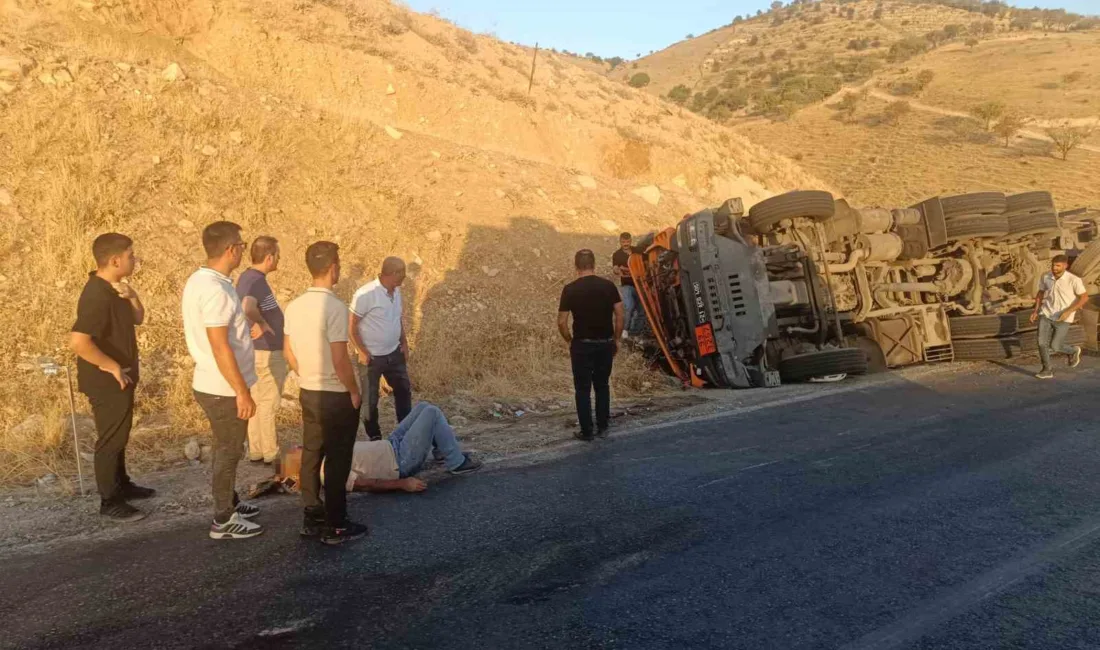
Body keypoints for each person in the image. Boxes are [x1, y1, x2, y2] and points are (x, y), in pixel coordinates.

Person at [284, 241, 369, 545]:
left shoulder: (293, 306)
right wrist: (354, 390)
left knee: (311, 453)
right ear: (333, 267)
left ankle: (312, 515)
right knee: (337, 459)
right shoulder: (334, 307)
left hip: (309, 390)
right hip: (335, 394)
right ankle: (336, 525)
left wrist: (305, 374)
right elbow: (340, 358)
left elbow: (288, 351)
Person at [182, 221, 263, 540]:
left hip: (213, 382)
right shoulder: (215, 290)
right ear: (231, 249)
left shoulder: (202, 280)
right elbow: (219, 344)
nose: (243, 249)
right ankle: (223, 520)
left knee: (226, 447)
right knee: (229, 451)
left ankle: (230, 502)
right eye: (242, 245)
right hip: (223, 387)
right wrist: (241, 391)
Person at [69, 233, 155, 523]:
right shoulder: (96, 295)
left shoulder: (115, 289)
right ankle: (110, 501)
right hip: (106, 381)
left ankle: (123, 485)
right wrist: (112, 366)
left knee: (120, 434)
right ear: (115, 260)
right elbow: (79, 342)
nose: (135, 259)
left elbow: (138, 319)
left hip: (121, 377)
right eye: (131, 256)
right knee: (110, 439)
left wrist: (133, 296)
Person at [321, 402, 482, 494]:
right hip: (401, 461)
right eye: (295, 450)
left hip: (391, 444)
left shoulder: (320, 452)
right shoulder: (325, 471)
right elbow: (365, 484)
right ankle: (456, 463)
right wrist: (403, 484)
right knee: (431, 413)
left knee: (423, 406)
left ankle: (442, 450)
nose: (296, 447)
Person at [557, 249, 625, 441]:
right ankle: (603, 426)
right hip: (605, 344)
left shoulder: (569, 289)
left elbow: (562, 321)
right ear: (593, 264)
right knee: (602, 385)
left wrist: (569, 340)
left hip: (582, 346)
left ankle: (587, 431)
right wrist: (617, 339)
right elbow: (620, 314)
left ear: (576, 266)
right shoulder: (608, 286)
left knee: (582, 389)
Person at [350, 257, 412, 441]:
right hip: (372, 358)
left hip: (394, 354)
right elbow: (351, 325)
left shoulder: (397, 291)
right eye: (403, 273)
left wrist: (404, 342)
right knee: (370, 401)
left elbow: (396, 318)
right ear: (394, 274)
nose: (405, 278)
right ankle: (375, 437)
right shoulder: (366, 294)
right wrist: (361, 350)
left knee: (403, 390)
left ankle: (405, 429)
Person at [236, 236, 286, 465]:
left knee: (257, 398)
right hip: (267, 350)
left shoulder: (247, 277)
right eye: (277, 255)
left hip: (256, 350)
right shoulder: (256, 280)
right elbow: (247, 307)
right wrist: (263, 324)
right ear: (269, 257)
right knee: (270, 400)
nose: (278, 259)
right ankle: (270, 451)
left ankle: (257, 449)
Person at [1030, 254, 1088, 379]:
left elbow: (1084, 298)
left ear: (1065, 266)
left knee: (1055, 346)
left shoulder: (1074, 280)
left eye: (1058, 265)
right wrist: (1035, 311)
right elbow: (1040, 293)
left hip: (1063, 317)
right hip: (1046, 313)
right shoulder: (1046, 277)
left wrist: (1069, 311)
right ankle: (1046, 370)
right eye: (1053, 265)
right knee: (1041, 343)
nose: (1054, 268)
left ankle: (1073, 351)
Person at [612, 232, 644, 337]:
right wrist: (618, 270)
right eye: (623, 242)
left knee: (642, 311)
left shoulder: (637, 250)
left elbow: (646, 261)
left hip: (640, 285)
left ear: (631, 240)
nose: (625, 243)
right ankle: (624, 330)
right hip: (627, 285)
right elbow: (615, 268)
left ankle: (634, 334)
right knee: (629, 306)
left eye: (627, 241)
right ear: (620, 242)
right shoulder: (617, 254)